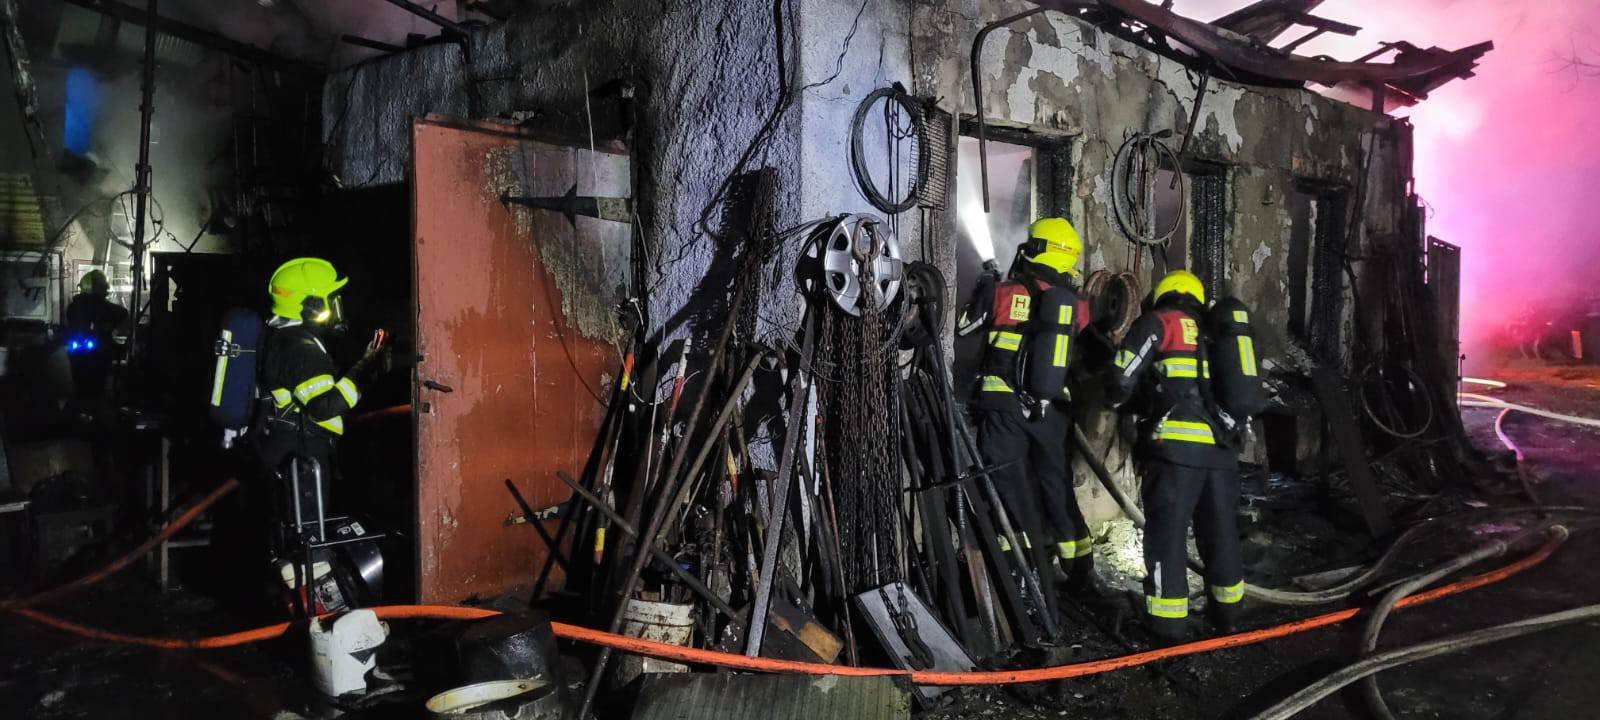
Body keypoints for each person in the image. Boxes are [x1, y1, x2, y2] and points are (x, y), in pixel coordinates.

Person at [1103, 270, 1266, 640]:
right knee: (1221, 535)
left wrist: (1112, 401)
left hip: (1174, 454)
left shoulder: (1160, 322)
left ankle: (1168, 624)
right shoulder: (1214, 330)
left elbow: (1121, 377)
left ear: (1163, 294)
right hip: (1222, 454)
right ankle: (1227, 616)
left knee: (1167, 538)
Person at [968, 217, 1097, 616]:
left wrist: (985, 287)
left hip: (1003, 406)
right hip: (1052, 411)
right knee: (1056, 486)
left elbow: (966, 326)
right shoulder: (1075, 305)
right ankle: (1080, 569)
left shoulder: (1005, 293)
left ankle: (1016, 572)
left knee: (1006, 487)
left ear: (1036, 249)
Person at [253, 257, 379, 521]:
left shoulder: (281, 337)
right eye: (330, 299)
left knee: (290, 531)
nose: (336, 306)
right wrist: (365, 369)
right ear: (311, 305)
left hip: (284, 451)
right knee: (308, 537)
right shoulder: (301, 350)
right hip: (303, 456)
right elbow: (324, 407)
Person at [63, 269, 128, 405]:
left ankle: (84, 407)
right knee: (97, 391)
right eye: (103, 287)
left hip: (78, 353)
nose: (106, 290)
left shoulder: (73, 307)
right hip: (97, 354)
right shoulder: (101, 307)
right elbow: (122, 314)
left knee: (82, 388)